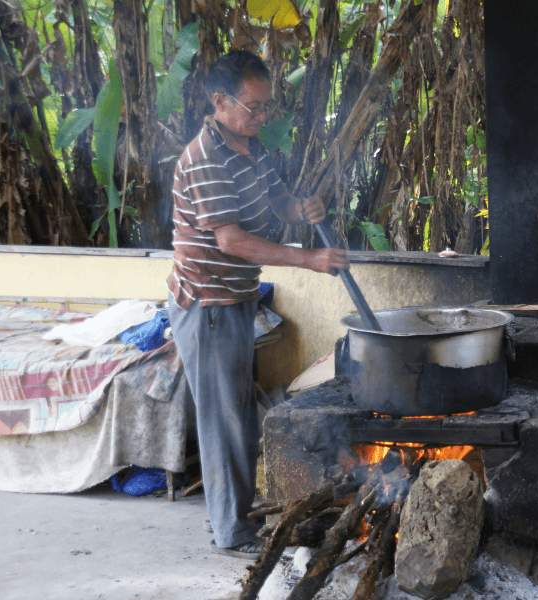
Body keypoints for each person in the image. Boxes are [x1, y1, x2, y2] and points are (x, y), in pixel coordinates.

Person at [166, 50, 349, 559]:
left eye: (268, 107)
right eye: (254, 107)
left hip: (237, 297)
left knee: (238, 414)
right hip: (208, 302)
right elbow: (232, 241)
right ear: (220, 101)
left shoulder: (248, 147)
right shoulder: (203, 159)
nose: (263, 117)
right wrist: (308, 259)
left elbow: (274, 204)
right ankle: (233, 532)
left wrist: (300, 209)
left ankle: (238, 519)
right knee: (225, 422)